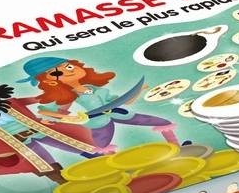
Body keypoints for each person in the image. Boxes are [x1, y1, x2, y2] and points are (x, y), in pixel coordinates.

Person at [17, 56, 179, 150]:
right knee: (102, 145)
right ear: (49, 81)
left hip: (119, 113)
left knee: (161, 122)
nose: (68, 71)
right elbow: (46, 111)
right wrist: (66, 118)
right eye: (58, 72)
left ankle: (176, 147)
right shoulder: (68, 95)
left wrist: (138, 91)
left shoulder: (92, 87)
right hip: (97, 121)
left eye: (69, 66)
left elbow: (122, 102)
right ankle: (114, 170)